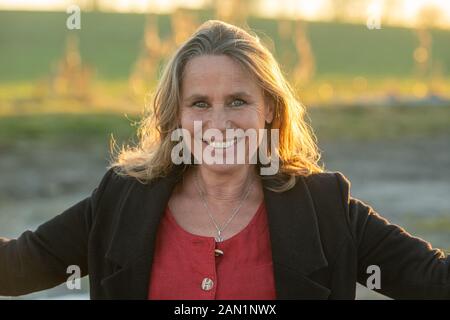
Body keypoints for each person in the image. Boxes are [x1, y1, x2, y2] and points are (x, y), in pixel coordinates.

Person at [0, 20, 448, 300]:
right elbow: (16, 267)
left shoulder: (324, 208)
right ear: (176, 116)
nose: (219, 124)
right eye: (199, 104)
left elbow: (433, 281)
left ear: (269, 108)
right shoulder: (121, 201)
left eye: (237, 101)